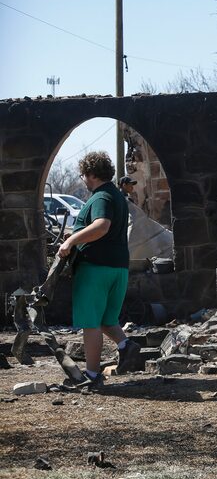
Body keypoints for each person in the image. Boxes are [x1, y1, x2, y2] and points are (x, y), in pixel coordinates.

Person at [57, 151, 142, 387]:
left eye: (83, 175)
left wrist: (70, 241)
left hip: (95, 268)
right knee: (106, 319)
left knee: (91, 322)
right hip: (118, 268)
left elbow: (102, 226)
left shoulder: (101, 196)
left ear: (91, 174)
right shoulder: (116, 195)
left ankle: (92, 375)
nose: (83, 179)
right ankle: (127, 347)